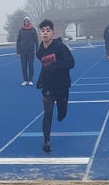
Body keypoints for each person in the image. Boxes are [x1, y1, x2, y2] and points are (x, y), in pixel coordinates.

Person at [35, 19, 75, 153]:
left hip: (62, 86)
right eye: (43, 31)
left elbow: (71, 63)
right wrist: (41, 80)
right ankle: (46, 140)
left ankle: (62, 113)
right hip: (48, 88)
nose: (45, 33)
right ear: (40, 33)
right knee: (47, 113)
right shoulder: (40, 51)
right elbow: (44, 67)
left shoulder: (60, 47)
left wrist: (55, 66)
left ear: (53, 33)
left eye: (48, 31)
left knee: (62, 113)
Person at [16, 16, 38, 85]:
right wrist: (18, 52)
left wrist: (37, 50)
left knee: (31, 66)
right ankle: (25, 80)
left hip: (31, 51)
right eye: (25, 21)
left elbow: (36, 41)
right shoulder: (21, 30)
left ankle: (30, 80)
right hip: (23, 51)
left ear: (29, 22)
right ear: (24, 22)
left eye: (27, 21)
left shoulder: (33, 30)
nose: (26, 22)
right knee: (24, 66)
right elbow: (18, 41)